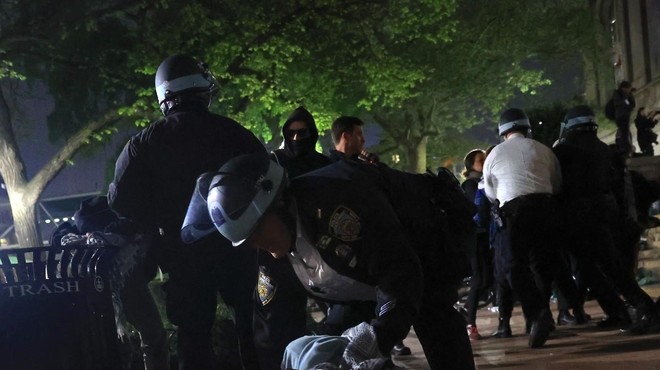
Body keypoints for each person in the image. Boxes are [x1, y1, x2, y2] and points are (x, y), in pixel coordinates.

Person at [183, 153, 477, 370]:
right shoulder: (270, 245)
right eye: (247, 241)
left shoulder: (337, 204)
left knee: (433, 320)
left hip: (427, 244)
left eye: (258, 231)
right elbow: (272, 331)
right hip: (359, 277)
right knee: (327, 349)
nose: (257, 245)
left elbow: (399, 273)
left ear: (280, 203)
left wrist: (380, 334)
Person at [108, 54, 268, 370]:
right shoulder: (232, 131)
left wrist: (157, 218)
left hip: (184, 255)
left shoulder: (144, 142)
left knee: (193, 340)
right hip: (238, 247)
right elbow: (264, 179)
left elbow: (120, 201)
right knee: (253, 331)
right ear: (201, 90)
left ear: (164, 95)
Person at [553, 105, 660, 334]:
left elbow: (559, 184)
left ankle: (642, 309)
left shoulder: (564, 150)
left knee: (597, 269)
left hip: (577, 216)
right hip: (601, 215)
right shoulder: (602, 148)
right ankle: (622, 310)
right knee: (605, 266)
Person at [254, 106, 332, 369]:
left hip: (320, 253)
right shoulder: (273, 163)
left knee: (338, 320)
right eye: (292, 133)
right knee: (274, 323)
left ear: (313, 133)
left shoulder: (325, 165)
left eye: (303, 132)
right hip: (278, 254)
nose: (298, 138)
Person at [328, 116, 411, 357]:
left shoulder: (364, 165)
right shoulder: (331, 168)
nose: (363, 141)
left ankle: (381, 348)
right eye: (359, 135)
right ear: (345, 136)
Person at [483, 108, 560, 348]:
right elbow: (556, 183)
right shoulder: (544, 149)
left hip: (514, 213)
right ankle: (541, 315)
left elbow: (490, 192)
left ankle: (538, 315)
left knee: (512, 266)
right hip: (546, 209)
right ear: (528, 128)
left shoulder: (494, 154)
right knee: (542, 265)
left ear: (502, 132)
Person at [460, 149, 493, 341]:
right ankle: (469, 322)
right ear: (471, 165)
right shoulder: (470, 184)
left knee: (486, 278)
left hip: (484, 237)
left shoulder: (483, 182)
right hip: (475, 237)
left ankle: (466, 311)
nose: (484, 162)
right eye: (481, 160)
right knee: (479, 278)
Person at [612, 80, 636, 154]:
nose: (629, 90)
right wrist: (626, 97)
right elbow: (621, 103)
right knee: (624, 132)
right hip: (621, 116)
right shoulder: (618, 94)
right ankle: (625, 147)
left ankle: (627, 146)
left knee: (626, 131)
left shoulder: (628, 94)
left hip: (625, 115)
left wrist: (630, 95)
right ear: (623, 88)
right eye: (628, 88)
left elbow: (632, 104)